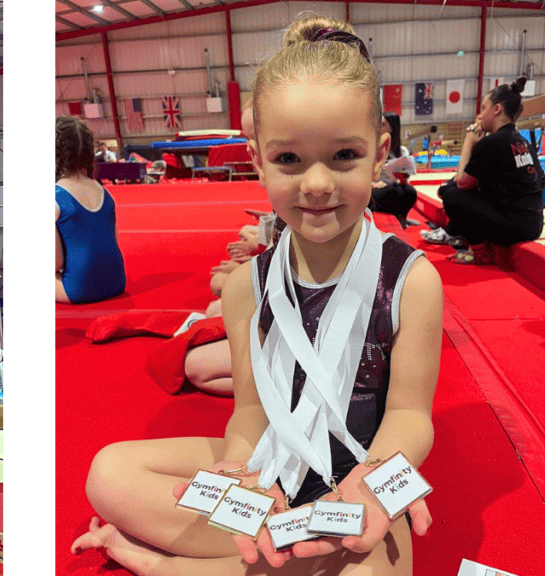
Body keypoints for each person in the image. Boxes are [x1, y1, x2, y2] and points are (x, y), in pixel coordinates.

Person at [72, 15, 440, 575]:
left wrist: (375, 481)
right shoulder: (248, 285)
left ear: (379, 152)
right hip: (274, 473)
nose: (316, 184)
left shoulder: (412, 280)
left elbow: (411, 414)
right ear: (257, 159)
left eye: (344, 156)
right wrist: (242, 478)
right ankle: (271, 550)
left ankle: (175, 567)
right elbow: (249, 413)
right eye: (289, 159)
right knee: (109, 473)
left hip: (357, 485)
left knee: (370, 565)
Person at [423, 76, 544, 264]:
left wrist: (468, 142)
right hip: (534, 224)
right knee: (450, 188)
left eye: (483, 108)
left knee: (452, 195)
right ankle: (454, 234)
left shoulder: (492, 142)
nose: (479, 115)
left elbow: (462, 182)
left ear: (497, 109)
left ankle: (480, 253)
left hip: (512, 227)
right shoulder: (523, 141)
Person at [56, 117, 127, 303]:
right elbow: (114, 245)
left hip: (79, 289)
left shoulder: (54, 196)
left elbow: (56, 263)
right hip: (117, 281)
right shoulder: (105, 192)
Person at [370, 112, 418, 227]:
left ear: (392, 127)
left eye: (382, 124)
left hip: (392, 187)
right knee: (392, 190)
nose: (378, 127)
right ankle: (398, 217)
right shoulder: (371, 148)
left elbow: (404, 177)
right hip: (376, 189)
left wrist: (403, 178)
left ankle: (402, 217)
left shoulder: (402, 151)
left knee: (409, 191)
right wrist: (372, 184)